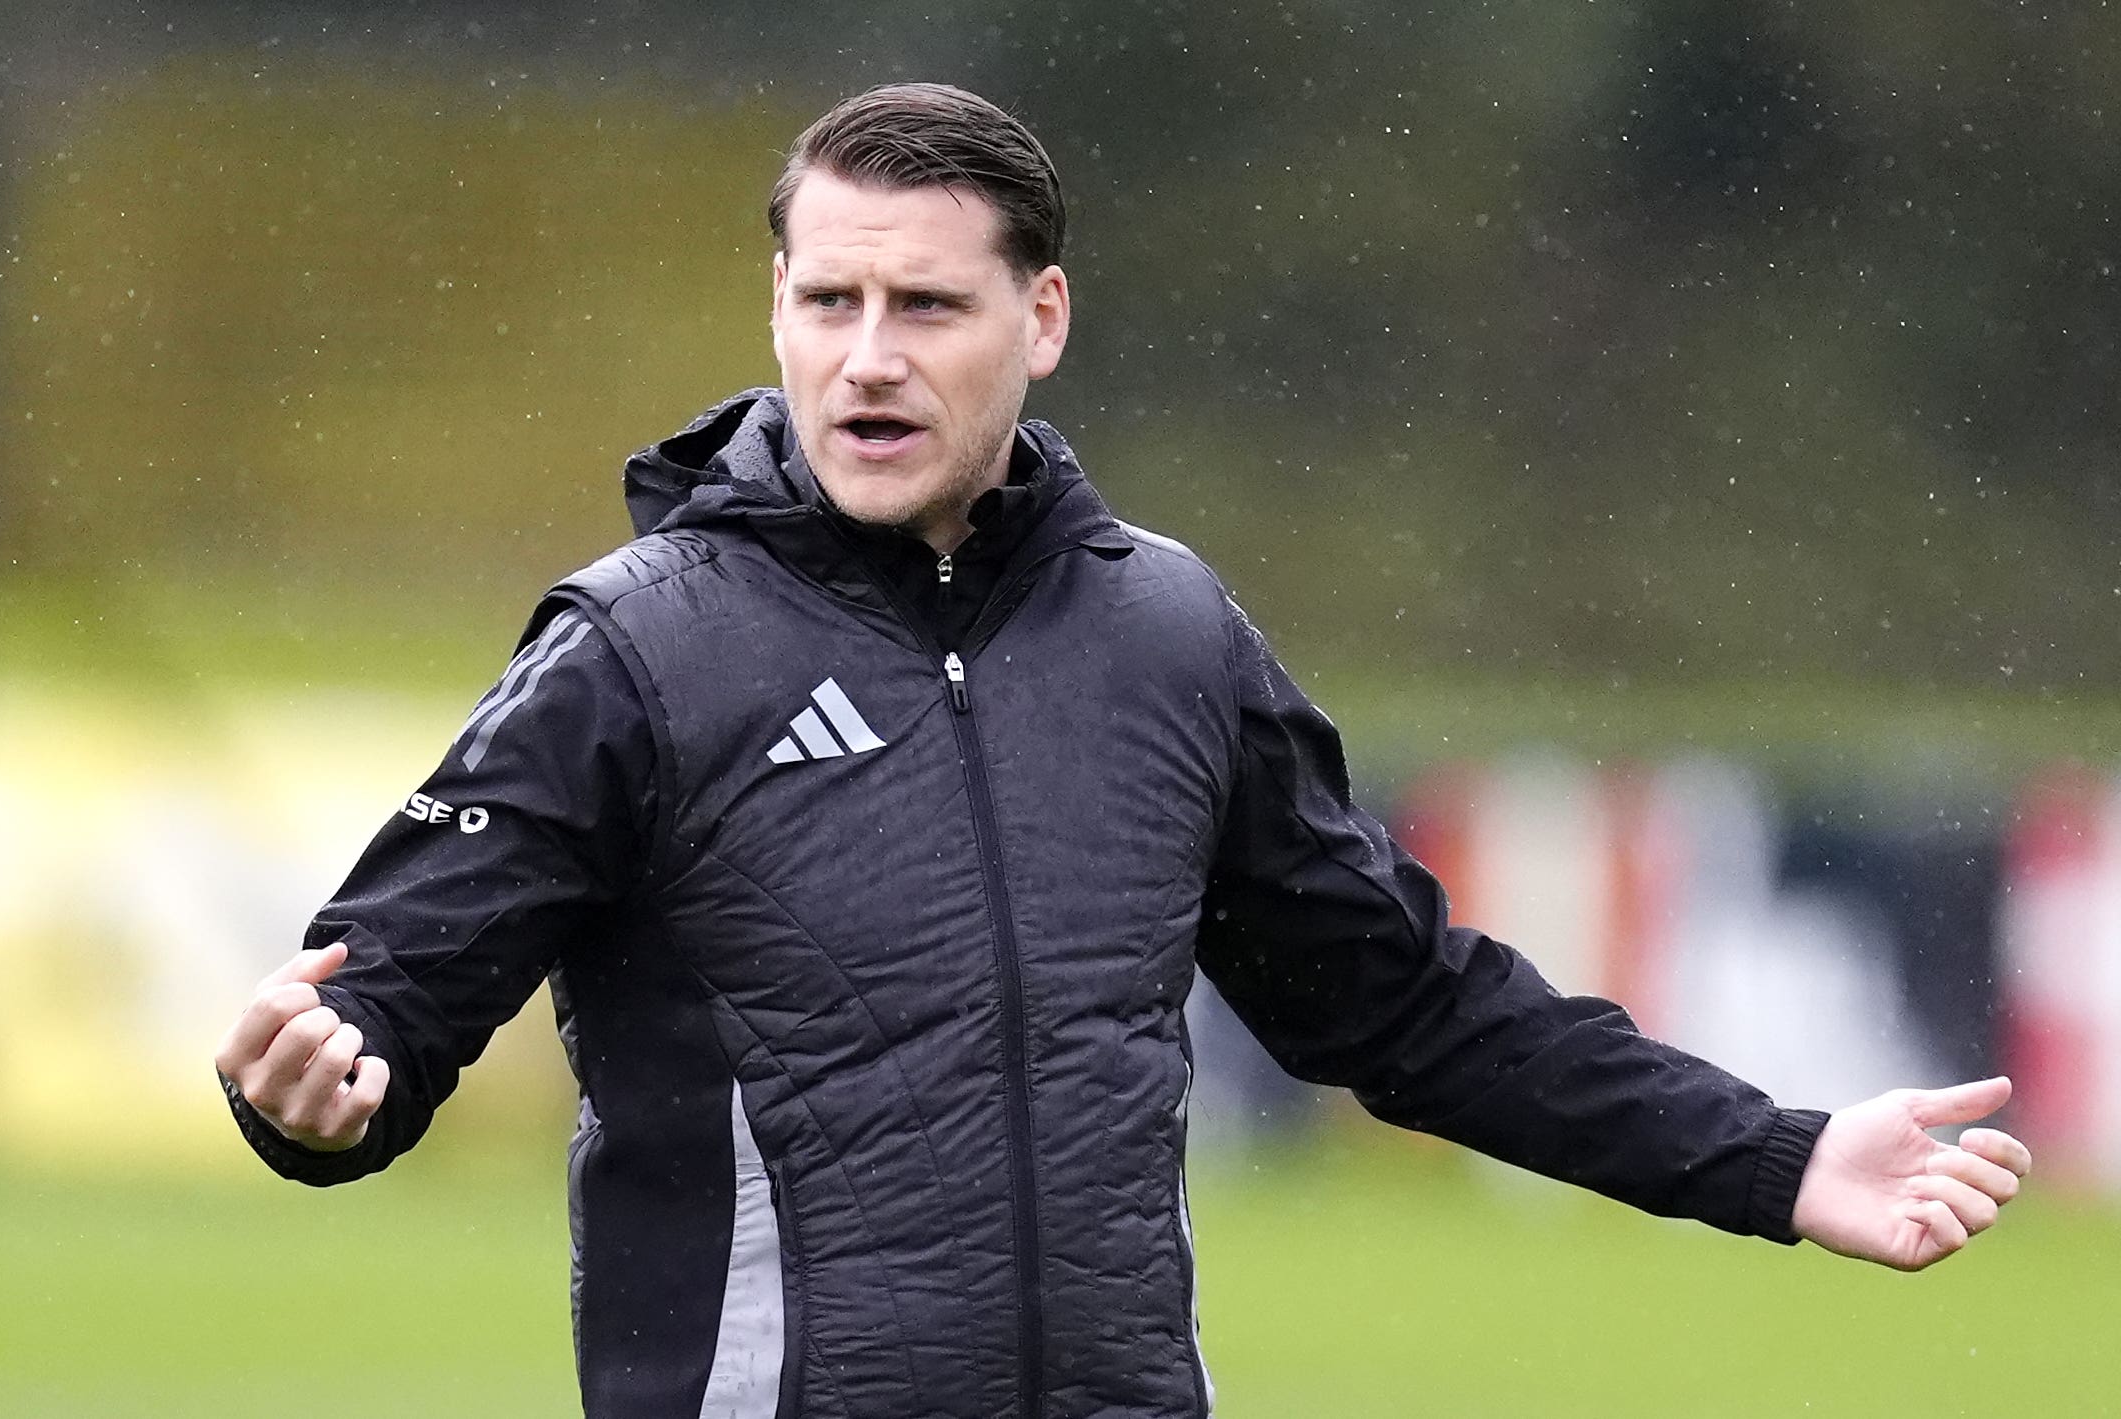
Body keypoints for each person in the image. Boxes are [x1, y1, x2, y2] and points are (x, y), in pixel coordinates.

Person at [214, 83, 2031, 1419]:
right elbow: (373, 1017)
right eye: (827, 302)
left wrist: (1781, 1162)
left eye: (925, 307)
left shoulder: (1166, 633)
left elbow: (1406, 1007)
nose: (866, 357)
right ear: (774, 306)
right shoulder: (635, 647)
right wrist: (310, 1095)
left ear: (1043, 320)